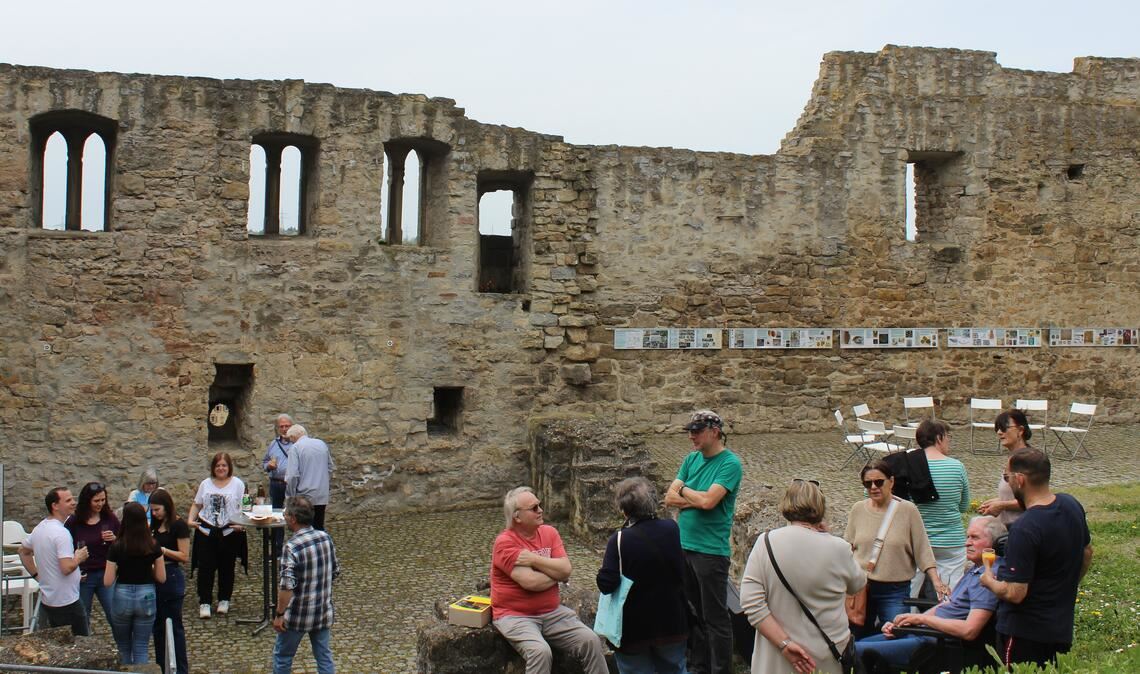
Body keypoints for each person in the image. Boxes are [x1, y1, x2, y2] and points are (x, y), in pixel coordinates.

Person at [980, 448, 1093, 667]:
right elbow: (1087, 552)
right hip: (1060, 628)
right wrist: (1065, 585)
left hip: (1023, 634)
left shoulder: (1024, 528)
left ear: (1020, 480)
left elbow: (1015, 593)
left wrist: (988, 581)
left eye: (1006, 477)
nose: (1007, 482)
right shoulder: (1071, 505)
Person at [740, 479, 865, 674]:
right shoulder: (838, 548)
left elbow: (751, 603)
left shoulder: (766, 542)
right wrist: (829, 536)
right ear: (821, 507)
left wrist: (784, 644)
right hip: (827, 655)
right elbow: (858, 583)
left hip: (776, 656)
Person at [855, 516, 1006, 669]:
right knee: (858, 645)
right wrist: (906, 623)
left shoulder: (988, 578)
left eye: (974, 537)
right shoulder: (976, 569)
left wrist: (921, 619)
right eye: (967, 537)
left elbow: (969, 630)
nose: (967, 542)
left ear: (994, 543)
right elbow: (947, 605)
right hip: (923, 633)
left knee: (855, 651)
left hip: (935, 644)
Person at [490, 486, 607, 674]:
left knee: (590, 640)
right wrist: (558, 574)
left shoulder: (549, 533)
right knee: (540, 652)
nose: (541, 510)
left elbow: (566, 568)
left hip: (552, 612)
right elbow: (531, 582)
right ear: (517, 517)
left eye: (540, 505)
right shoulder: (505, 543)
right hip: (515, 616)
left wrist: (534, 559)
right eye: (534, 508)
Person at [663, 410, 743, 674]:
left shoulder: (730, 464)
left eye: (696, 431)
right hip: (684, 546)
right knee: (693, 613)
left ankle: (720, 669)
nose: (691, 436)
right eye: (690, 431)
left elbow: (709, 501)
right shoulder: (691, 459)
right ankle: (698, 666)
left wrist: (684, 490)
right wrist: (695, 498)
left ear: (714, 432)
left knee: (715, 618)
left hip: (710, 551)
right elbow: (669, 498)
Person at [844, 461, 947, 639]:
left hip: (894, 590)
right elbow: (847, 548)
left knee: (894, 636)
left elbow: (922, 549)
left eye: (879, 482)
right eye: (868, 483)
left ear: (891, 481)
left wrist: (937, 582)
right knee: (856, 637)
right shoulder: (858, 509)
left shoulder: (908, 510)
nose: (873, 487)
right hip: (861, 588)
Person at [596, 477, 688, 674]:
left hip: (633, 628)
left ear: (624, 509)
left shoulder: (619, 540)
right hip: (671, 621)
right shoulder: (671, 528)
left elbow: (607, 584)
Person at [272, 495, 340, 674]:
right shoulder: (325, 538)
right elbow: (335, 571)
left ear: (293, 519)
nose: (285, 517)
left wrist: (279, 614)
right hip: (322, 611)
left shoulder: (291, 547)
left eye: (286, 514)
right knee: (324, 657)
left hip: (297, 615)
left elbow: (287, 586)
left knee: (283, 657)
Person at [19, 487, 91, 635]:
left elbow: (23, 551)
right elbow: (66, 568)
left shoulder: (40, 527)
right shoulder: (61, 533)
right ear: (55, 506)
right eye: (68, 500)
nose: (74, 503)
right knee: (80, 644)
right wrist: (79, 558)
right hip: (67, 602)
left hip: (49, 600)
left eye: (73, 499)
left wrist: (37, 575)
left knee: (57, 642)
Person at [911, 420, 970, 595]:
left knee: (909, 591)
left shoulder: (910, 466)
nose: (948, 441)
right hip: (951, 541)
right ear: (939, 438)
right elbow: (964, 506)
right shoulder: (957, 467)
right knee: (948, 593)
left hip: (917, 540)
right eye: (948, 437)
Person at [105, 502, 165, 666]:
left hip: (122, 594)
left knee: (123, 647)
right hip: (146, 594)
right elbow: (161, 577)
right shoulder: (153, 545)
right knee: (141, 647)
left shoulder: (116, 546)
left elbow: (107, 581)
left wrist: (118, 568)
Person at [187, 451, 246, 619]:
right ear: (213, 467)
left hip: (229, 531)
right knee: (205, 566)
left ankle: (224, 599)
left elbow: (245, 506)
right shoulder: (205, 484)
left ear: (229, 467)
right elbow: (197, 504)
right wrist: (190, 520)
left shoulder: (238, 484)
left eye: (224, 465)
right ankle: (205, 601)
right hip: (207, 531)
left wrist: (242, 524)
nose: (221, 468)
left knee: (227, 567)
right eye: (218, 465)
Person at [65, 481, 120, 629]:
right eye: (96, 501)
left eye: (103, 500)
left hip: (106, 572)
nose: (100, 504)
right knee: (82, 617)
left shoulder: (109, 518)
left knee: (114, 615)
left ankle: (123, 643)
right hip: (84, 576)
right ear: (87, 500)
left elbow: (123, 542)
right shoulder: (74, 522)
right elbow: (65, 547)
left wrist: (115, 539)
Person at [150, 488, 191, 674]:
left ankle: (180, 670)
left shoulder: (178, 525)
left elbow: (184, 556)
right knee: (158, 627)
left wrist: (163, 550)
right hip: (155, 574)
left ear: (166, 507)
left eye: (157, 509)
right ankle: (162, 666)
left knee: (174, 627)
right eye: (152, 510)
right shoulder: (154, 525)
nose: (154, 513)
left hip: (171, 574)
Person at [977, 409, 1033, 525]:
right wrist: (996, 502)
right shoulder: (1014, 457)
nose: (999, 432)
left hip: (1023, 526)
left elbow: (1033, 500)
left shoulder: (1027, 459)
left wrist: (1002, 505)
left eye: (1004, 428)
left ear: (1020, 430)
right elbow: (1016, 496)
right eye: (997, 428)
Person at [284, 424, 334, 531]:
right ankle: (320, 541)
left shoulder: (295, 448)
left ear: (293, 437)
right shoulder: (321, 444)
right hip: (322, 494)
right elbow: (330, 467)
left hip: (304, 496)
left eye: (290, 440)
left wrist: (290, 496)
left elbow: (292, 476)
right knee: (319, 525)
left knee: (304, 527)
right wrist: (323, 483)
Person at [262, 414, 294, 510]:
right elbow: (265, 462)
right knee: (276, 512)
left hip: (292, 484)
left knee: (293, 511)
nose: (284, 429)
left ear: (292, 426)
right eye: (281, 426)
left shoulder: (297, 443)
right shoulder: (273, 444)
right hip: (276, 483)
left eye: (287, 426)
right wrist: (268, 465)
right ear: (278, 428)